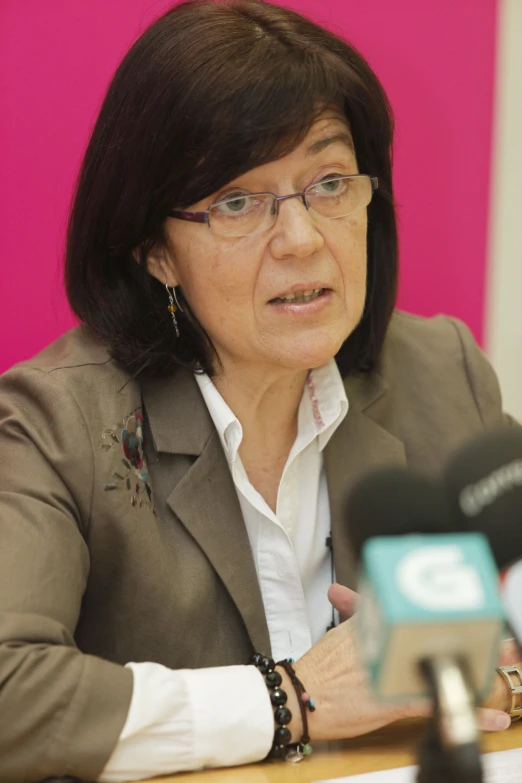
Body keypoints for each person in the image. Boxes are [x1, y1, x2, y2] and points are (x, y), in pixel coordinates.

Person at [0, 0, 520, 780]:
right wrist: (293, 698)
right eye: (240, 201)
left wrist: (505, 667)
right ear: (155, 251)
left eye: (329, 182)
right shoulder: (59, 421)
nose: (304, 238)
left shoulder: (439, 370)